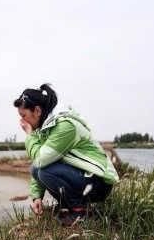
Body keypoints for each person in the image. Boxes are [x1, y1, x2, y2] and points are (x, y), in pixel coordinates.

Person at [14, 84, 119, 225]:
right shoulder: (46, 128)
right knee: (37, 170)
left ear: (37, 110)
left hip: (99, 184)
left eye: (24, 115)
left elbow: (40, 160)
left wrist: (30, 135)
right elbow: (38, 164)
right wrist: (36, 197)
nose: (22, 122)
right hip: (84, 179)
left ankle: (80, 212)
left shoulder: (64, 126)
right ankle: (68, 206)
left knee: (43, 170)